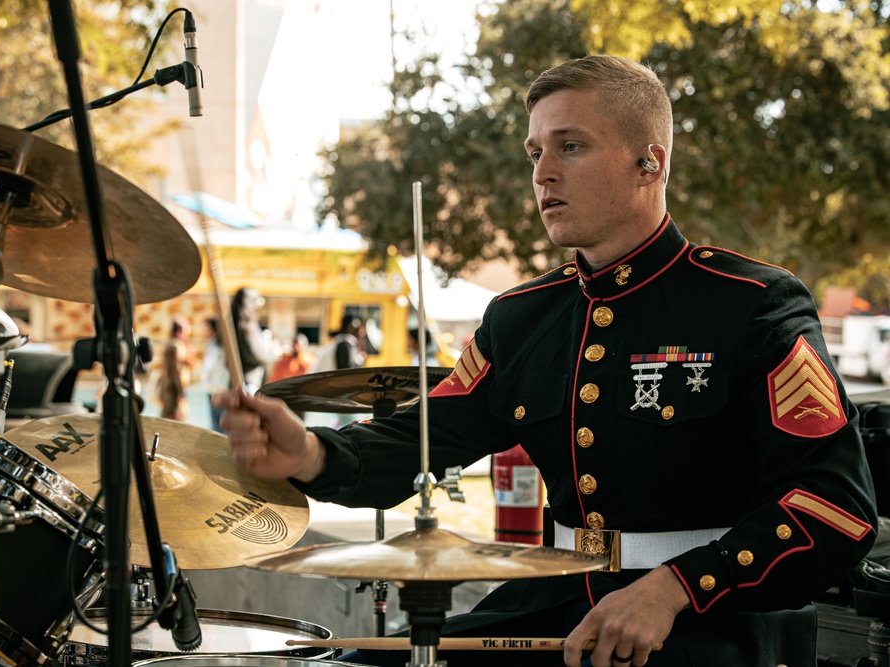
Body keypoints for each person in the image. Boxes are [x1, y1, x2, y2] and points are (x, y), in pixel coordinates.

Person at [219, 55, 877, 667]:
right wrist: (308, 454)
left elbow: (835, 506)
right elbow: (424, 435)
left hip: (714, 618)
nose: (542, 172)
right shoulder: (522, 316)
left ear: (649, 163)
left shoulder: (749, 304)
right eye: (536, 151)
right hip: (555, 600)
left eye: (571, 145)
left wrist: (676, 587)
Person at [230, 286, 279, 392]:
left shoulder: (232, 323)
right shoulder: (246, 325)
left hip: (234, 383)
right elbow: (255, 354)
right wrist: (273, 352)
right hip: (247, 383)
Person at [155, 316, 192, 421]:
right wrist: (181, 392)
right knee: (173, 420)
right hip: (173, 389)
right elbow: (176, 371)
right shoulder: (175, 346)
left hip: (171, 387)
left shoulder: (173, 344)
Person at [200, 317, 230, 432]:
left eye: (207, 328)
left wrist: (218, 390)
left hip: (219, 391)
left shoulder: (219, 347)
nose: (205, 331)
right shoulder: (212, 345)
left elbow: (215, 369)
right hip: (213, 390)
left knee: (219, 428)